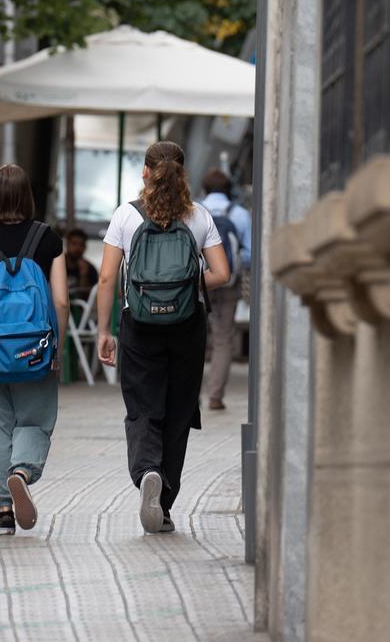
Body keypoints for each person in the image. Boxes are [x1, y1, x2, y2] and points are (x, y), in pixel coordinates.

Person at [96, 141, 229, 534]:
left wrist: (104, 330)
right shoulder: (199, 215)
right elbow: (222, 273)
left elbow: (106, 278)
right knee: (179, 411)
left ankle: (147, 471)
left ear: (145, 172)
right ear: (182, 173)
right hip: (188, 325)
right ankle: (165, 505)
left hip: (137, 324)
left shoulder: (126, 215)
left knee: (142, 407)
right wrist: (185, 287)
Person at [0, 165, 69, 535]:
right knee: (35, 420)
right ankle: (21, 470)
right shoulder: (48, 239)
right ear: (28, 196)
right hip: (36, 346)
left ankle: (4, 509)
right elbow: (62, 301)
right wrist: (58, 346)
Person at [199, 168, 252, 411]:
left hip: (198, 284)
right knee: (223, 340)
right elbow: (250, 255)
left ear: (205, 189)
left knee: (193, 336)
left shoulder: (194, 211)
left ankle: (189, 395)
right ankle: (215, 396)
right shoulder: (240, 214)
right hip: (228, 284)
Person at [64, 228, 99, 297]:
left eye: (81, 245)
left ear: (85, 247)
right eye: (74, 243)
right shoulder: (57, 265)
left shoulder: (90, 269)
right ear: (67, 244)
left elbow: (90, 296)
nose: (77, 248)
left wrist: (83, 275)